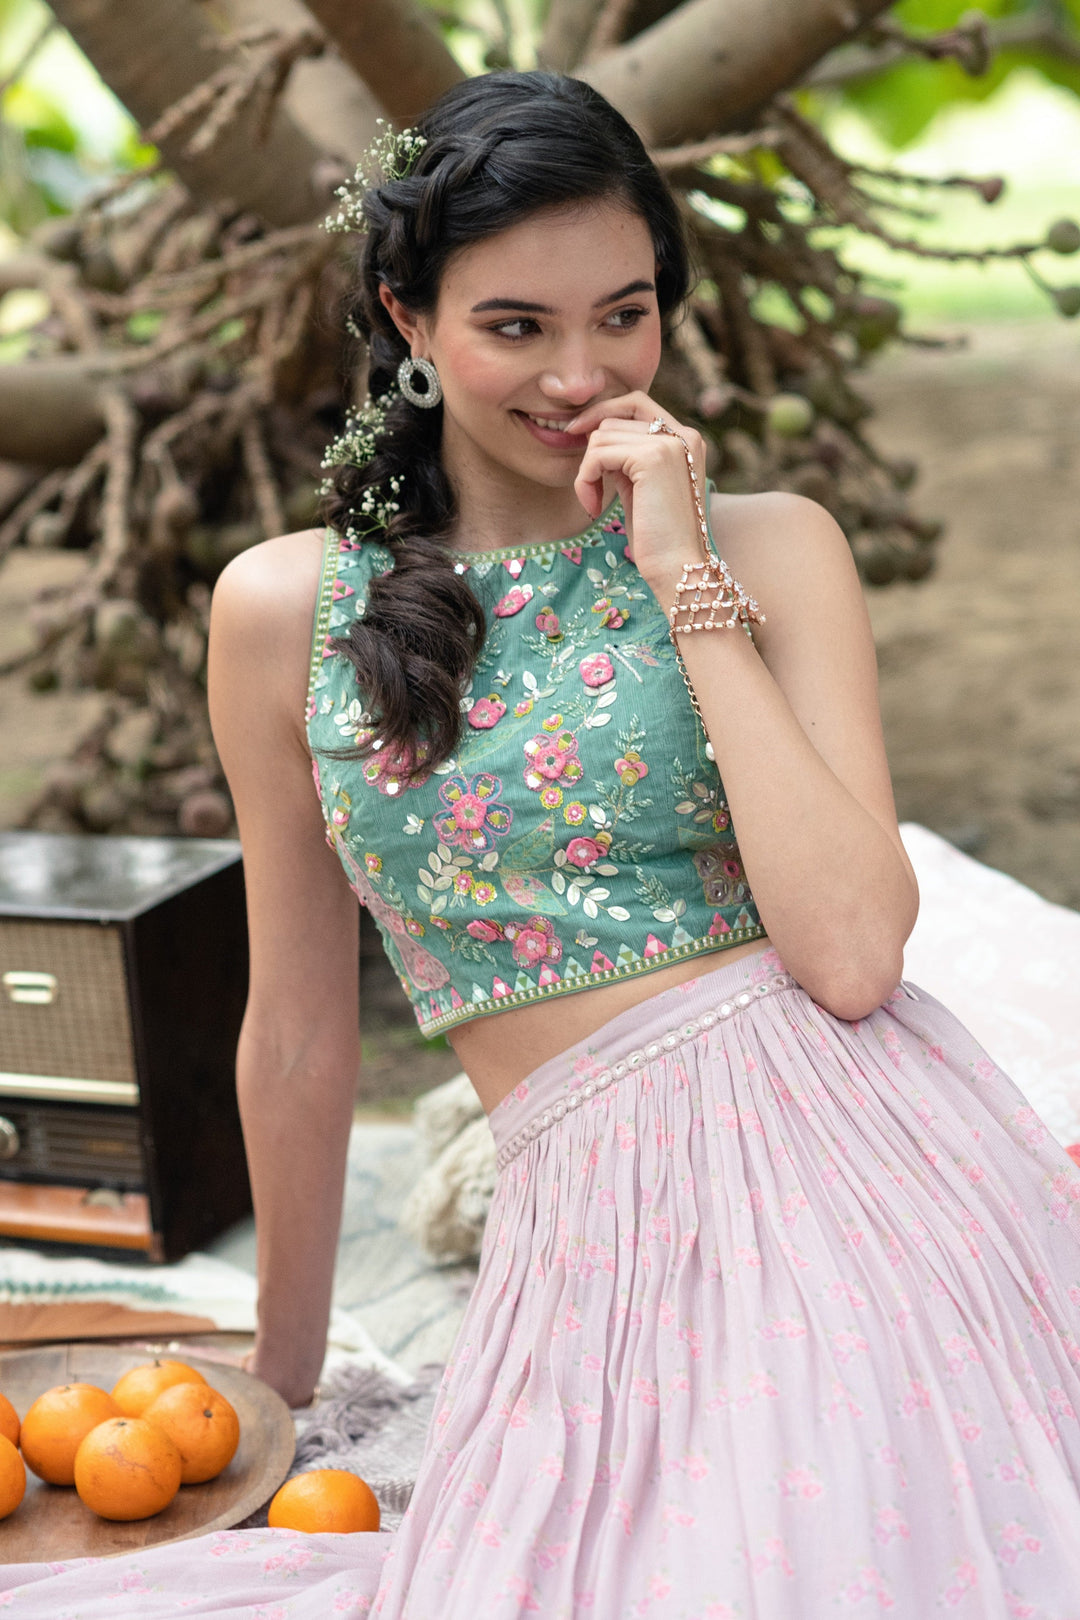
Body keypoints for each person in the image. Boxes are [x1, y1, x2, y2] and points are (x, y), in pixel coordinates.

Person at [3, 67, 1080, 1618]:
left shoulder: (773, 547)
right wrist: (281, 1376)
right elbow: (299, 1031)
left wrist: (680, 573)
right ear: (410, 318)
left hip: (872, 1181)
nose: (584, 372)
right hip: (589, 1228)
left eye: (624, 315)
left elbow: (850, 956)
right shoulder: (285, 610)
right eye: (517, 325)